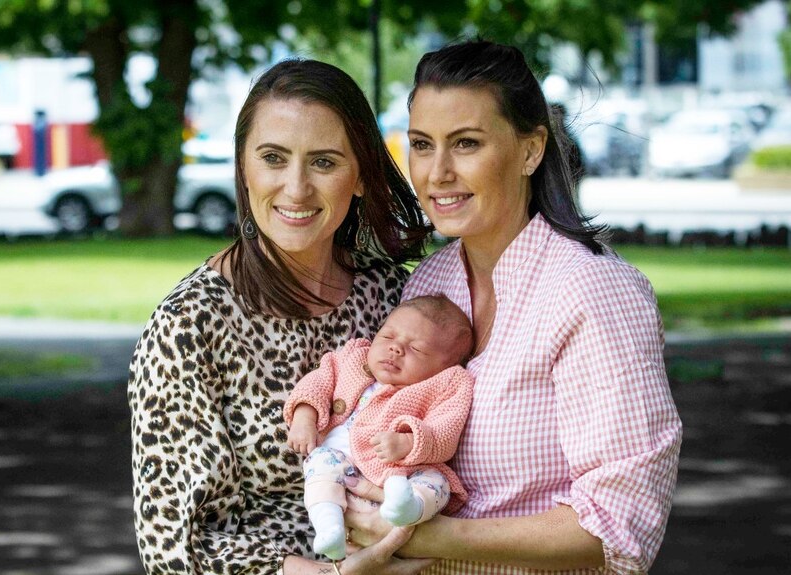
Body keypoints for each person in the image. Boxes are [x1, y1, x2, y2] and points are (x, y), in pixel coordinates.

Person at [344, 40, 683, 575]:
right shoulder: (432, 282)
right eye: (422, 144)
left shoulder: (591, 291)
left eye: (467, 143)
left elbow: (620, 524)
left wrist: (433, 538)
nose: (436, 173)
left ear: (530, 150)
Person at [127, 58, 435, 575]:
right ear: (243, 167)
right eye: (273, 157)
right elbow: (176, 544)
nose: (295, 188)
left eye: (323, 162)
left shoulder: (395, 295)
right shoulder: (189, 326)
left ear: (360, 176)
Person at [284, 295, 474, 560]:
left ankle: (410, 506)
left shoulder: (445, 386)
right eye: (388, 337)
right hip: (342, 460)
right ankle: (329, 527)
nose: (395, 349)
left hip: (405, 472)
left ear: (445, 367)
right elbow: (317, 381)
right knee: (319, 463)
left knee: (437, 482)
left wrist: (409, 443)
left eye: (416, 349)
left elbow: (446, 430)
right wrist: (305, 417)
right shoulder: (353, 358)